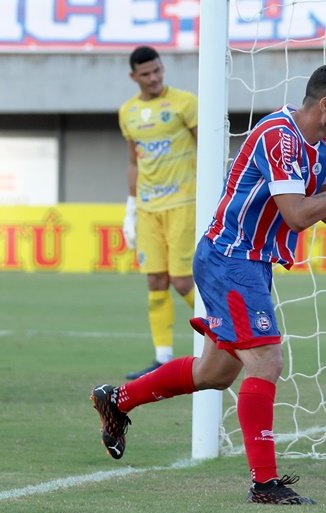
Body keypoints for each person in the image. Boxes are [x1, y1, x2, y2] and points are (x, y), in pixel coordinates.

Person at [91, 64, 326, 505]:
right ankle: (265, 484)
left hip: (250, 264)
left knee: (214, 374)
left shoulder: (317, 148)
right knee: (266, 362)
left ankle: (117, 400)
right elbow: (298, 216)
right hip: (231, 258)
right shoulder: (278, 135)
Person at [119, 46, 199, 380]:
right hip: (149, 208)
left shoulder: (185, 103)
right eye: (146, 74)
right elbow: (134, 161)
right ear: (133, 77)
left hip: (183, 202)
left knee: (182, 280)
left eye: (157, 71)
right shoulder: (128, 112)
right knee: (155, 279)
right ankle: (163, 356)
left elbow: (208, 146)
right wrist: (131, 207)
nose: (154, 78)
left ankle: (230, 334)